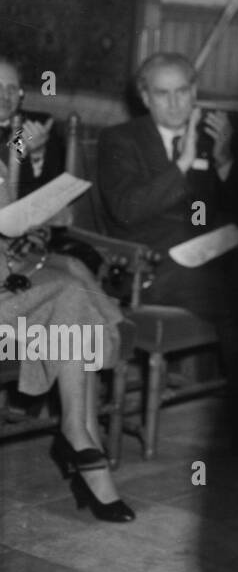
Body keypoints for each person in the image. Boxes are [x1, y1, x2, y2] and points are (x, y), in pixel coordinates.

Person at [97, 53, 238, 445]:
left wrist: (224, 159)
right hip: (148, 268)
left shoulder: (212, 134)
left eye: (183, 92)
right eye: (163, 94)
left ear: (194, 92)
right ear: (144, 97)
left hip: (210, 256)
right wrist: (184, 162)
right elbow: (127, 211)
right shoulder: (120, 140)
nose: (175, 104)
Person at [1, 223, 133, 523]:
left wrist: (24, 236)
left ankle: (78, 433)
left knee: (73, 292)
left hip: (9, 281)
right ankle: (83, 443)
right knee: (73, 299)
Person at [0, 53, 64, 198]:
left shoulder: (39, 126)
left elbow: (54, 192)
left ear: (20, 94)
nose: (4, 96)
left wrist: (37, 155)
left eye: (11, 89)